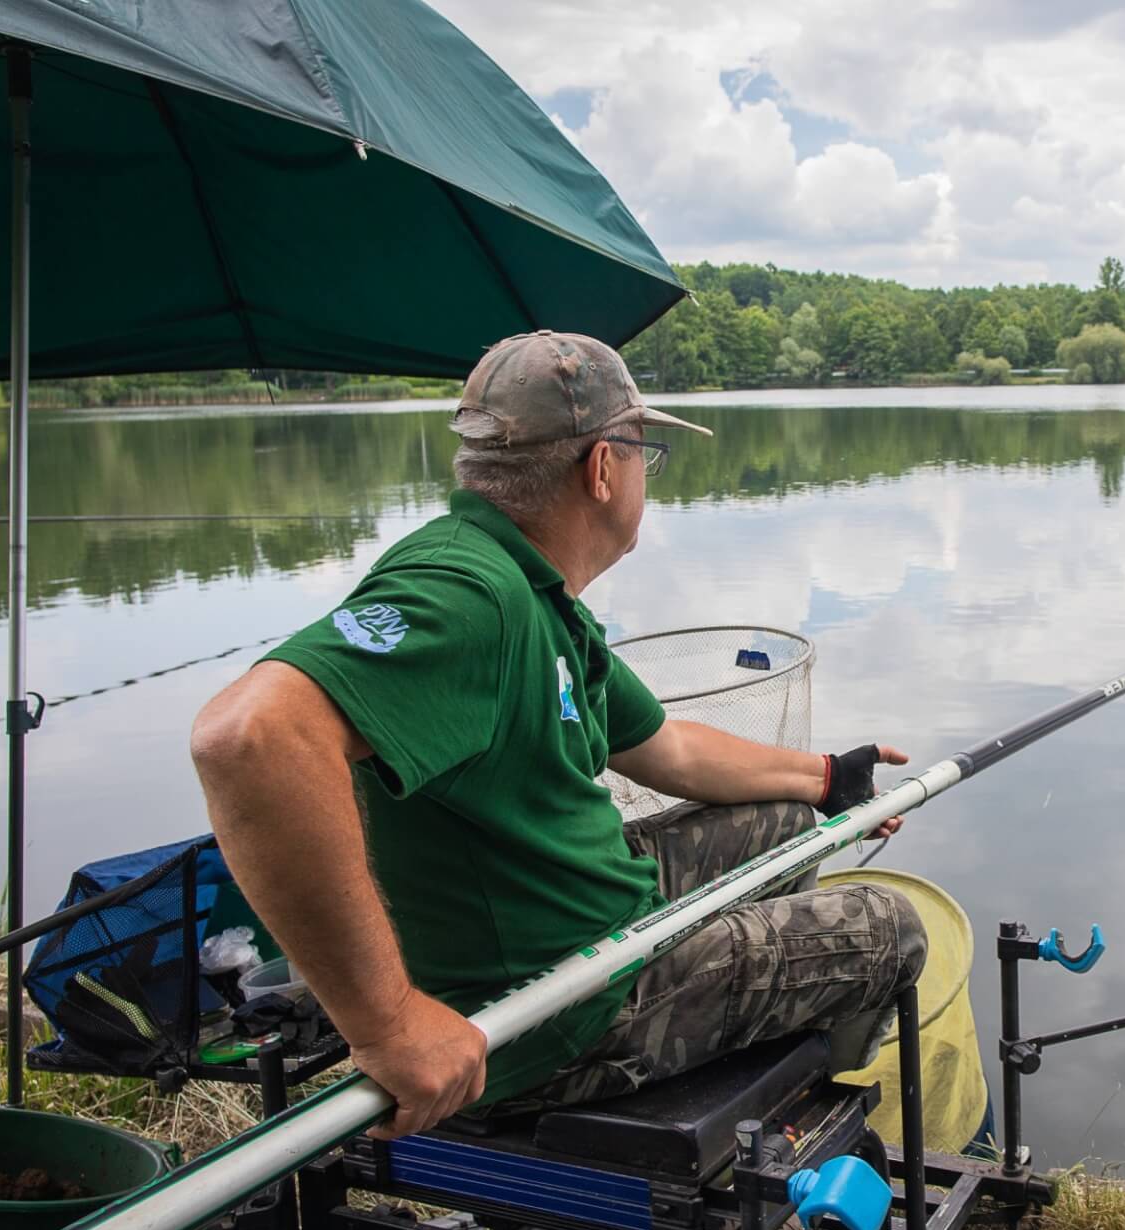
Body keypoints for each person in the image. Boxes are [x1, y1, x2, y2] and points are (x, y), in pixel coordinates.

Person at [189, 331, 927, 1138]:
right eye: (647, 450)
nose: (650, 472)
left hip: (590, 919)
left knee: (788, 828)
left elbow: (668, 750)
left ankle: (745, 1043)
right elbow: (249, 738)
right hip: (558, 1013)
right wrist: (392, 1026)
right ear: (602, 468)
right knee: (890, 929)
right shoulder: (470, 595)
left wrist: (826, 779)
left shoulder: (531, 586)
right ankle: (796, 1117)